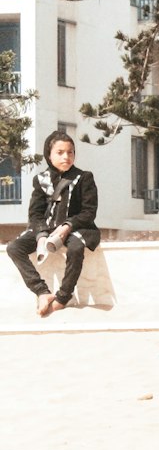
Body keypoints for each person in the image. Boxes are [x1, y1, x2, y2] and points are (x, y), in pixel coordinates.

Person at [5, 131, 100, 315]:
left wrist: (67, 226)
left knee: (75, 248)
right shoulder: (41, 180)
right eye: (60, 152)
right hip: (46, 229)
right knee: (14, 248)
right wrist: (41, 235)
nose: (66, 156)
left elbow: (89, 212)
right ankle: (42, 292)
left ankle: (63, 296)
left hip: (75, 228)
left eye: (70, 152)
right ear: (49, 155)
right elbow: (35, 213)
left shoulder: (83, 178)